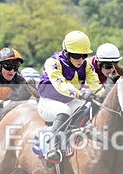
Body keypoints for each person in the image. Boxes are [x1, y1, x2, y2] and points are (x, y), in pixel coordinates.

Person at [37, 30, 103, 160]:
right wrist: (79, 93)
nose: (81, 60)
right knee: (64, 110)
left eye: (84, 55)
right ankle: (53, 149)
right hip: (48, 103)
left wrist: (103, 96)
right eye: (76, 56)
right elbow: (60, 85)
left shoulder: (87, 66)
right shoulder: (53, 63)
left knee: (91, 107)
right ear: (66, 52)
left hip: (71, 100)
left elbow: (96, 85)